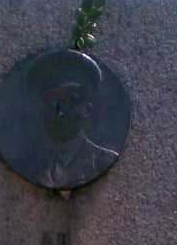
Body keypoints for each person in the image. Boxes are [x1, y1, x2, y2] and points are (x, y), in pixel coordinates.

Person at [25, 49, 119, 189]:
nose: (59, 113)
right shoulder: (26, 163)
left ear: (87, 111)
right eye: (50, 102)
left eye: (69, 102)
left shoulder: (104, 162)